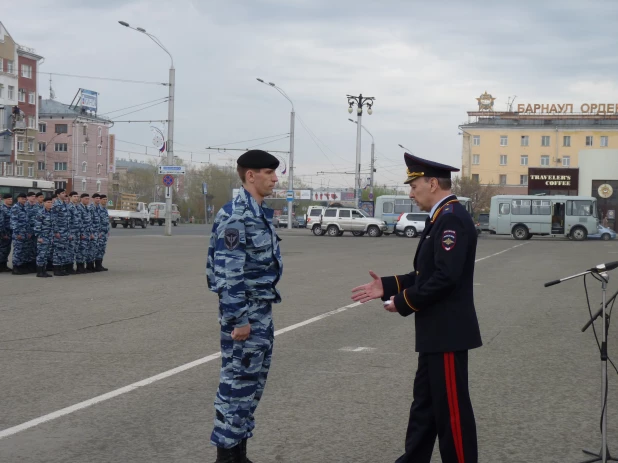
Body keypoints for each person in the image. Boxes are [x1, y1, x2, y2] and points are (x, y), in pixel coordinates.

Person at [351, 153, 482, 463]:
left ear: (433, 183)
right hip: (436, 334)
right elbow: (426, 274)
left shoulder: (451, 219)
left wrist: (403, 301)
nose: (410, 193)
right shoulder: (443, 216)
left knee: (452, 412)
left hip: (447, 333)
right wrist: (389, 285)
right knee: (425, 406)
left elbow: (445, 279)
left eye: (414, 186)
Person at [206, 149, 283, 463]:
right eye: (269, 172)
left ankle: (239, 454)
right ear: (251, 175)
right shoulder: (238, 214)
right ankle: (226, 457)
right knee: (236, 385)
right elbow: (228, 271)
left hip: (260, 312)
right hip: (246, 315)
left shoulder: (258, 212)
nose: (275, 178)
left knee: (250, 389)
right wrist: (238, 319)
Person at [51, 188, 70, 276]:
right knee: (58, 250)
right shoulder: (56, 204)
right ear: (58, 195)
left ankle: (61, 268)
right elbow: (54, 219)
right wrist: (56, 231)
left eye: (65, 193)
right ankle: (56, 268)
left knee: (63, 250)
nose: (64, 194)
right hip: (59, 231)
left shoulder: (65, 204)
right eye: (62, 193)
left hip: (65, 231)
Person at [10, 193, 30, 275]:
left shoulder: (25, 207)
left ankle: (20, 266)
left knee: (23, 250)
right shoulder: (16, 208)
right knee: (17, 250)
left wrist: (28, 232)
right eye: (22, 199)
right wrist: (17, 233)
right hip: (18, 233)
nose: (24, 200)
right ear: (18, 199)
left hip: (24, 232)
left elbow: (27, 221)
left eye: (25, 199)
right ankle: (15, 268)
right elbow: (14, 222)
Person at [34, 196, 54, 278]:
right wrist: (39, 237)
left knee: (46, 254)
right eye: (48, 202)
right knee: (41, 254)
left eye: (51, 202)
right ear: (44, 203)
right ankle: (39, 271)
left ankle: (44, 270)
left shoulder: (52, 212)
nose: (49, 204)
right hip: (43, 236)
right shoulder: (40, 213)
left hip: (50, 237)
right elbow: (37, 226)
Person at [77, 193, 93, 274]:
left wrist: (90, 233)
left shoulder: (87, 208)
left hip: (87, 233)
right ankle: (79, 267)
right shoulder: (79, 208)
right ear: (81, 199)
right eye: (86, 198)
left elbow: (89, 222)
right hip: (82, 233)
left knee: (85, 250)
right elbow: (79, 222)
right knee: (81, 250)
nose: (87, 200)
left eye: (88, 198)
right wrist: (81, 233)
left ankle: (83, 267)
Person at [67, 192, 82, 274]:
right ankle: (69, 268)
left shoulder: (78, 207)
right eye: (74, 196)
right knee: (70, 251)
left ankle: (72, 267)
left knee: (75, 250)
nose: (76, 198)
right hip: (71, 232)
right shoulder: (69, 207)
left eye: (77, 196)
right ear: (70, 197)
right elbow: (68, 222)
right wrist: (69, 233)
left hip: (77, 232)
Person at [96, 194, 110, 271]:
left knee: (102, 249)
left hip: (104, 233)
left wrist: (107, 231)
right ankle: (97, 265)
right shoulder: (98, 209)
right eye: (103, 199)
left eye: (106, 199)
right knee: (98, 249)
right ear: (100, 200)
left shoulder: (105, 209)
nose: (105, 201)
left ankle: (100, 264)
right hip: (99, 233)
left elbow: (106, 221)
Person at [0, 193, 13, 272]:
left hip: (10, 232)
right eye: (8, 199)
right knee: (2, 250)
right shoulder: (2, 209)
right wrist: (3, 234)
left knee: (7, 249)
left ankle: (4, 265)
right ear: (4, 200)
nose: (10, 200)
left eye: (11, 199)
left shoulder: (11, 209)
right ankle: (1, 265)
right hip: (4, 232)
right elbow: (1, 222)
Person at [88, 194, 101, 272]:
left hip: (97, 232)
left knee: (96, 249)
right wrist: (91, 233)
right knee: (91, 249)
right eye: (96, 198)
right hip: (92, 232)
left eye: (99, 198)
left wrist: (99, 232)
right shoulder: (91, 208)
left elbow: (99, 221)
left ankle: (95, 266)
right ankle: (89, 266)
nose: (98, 199)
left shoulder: (99, 208)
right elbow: (89, 221)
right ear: (93, 199)